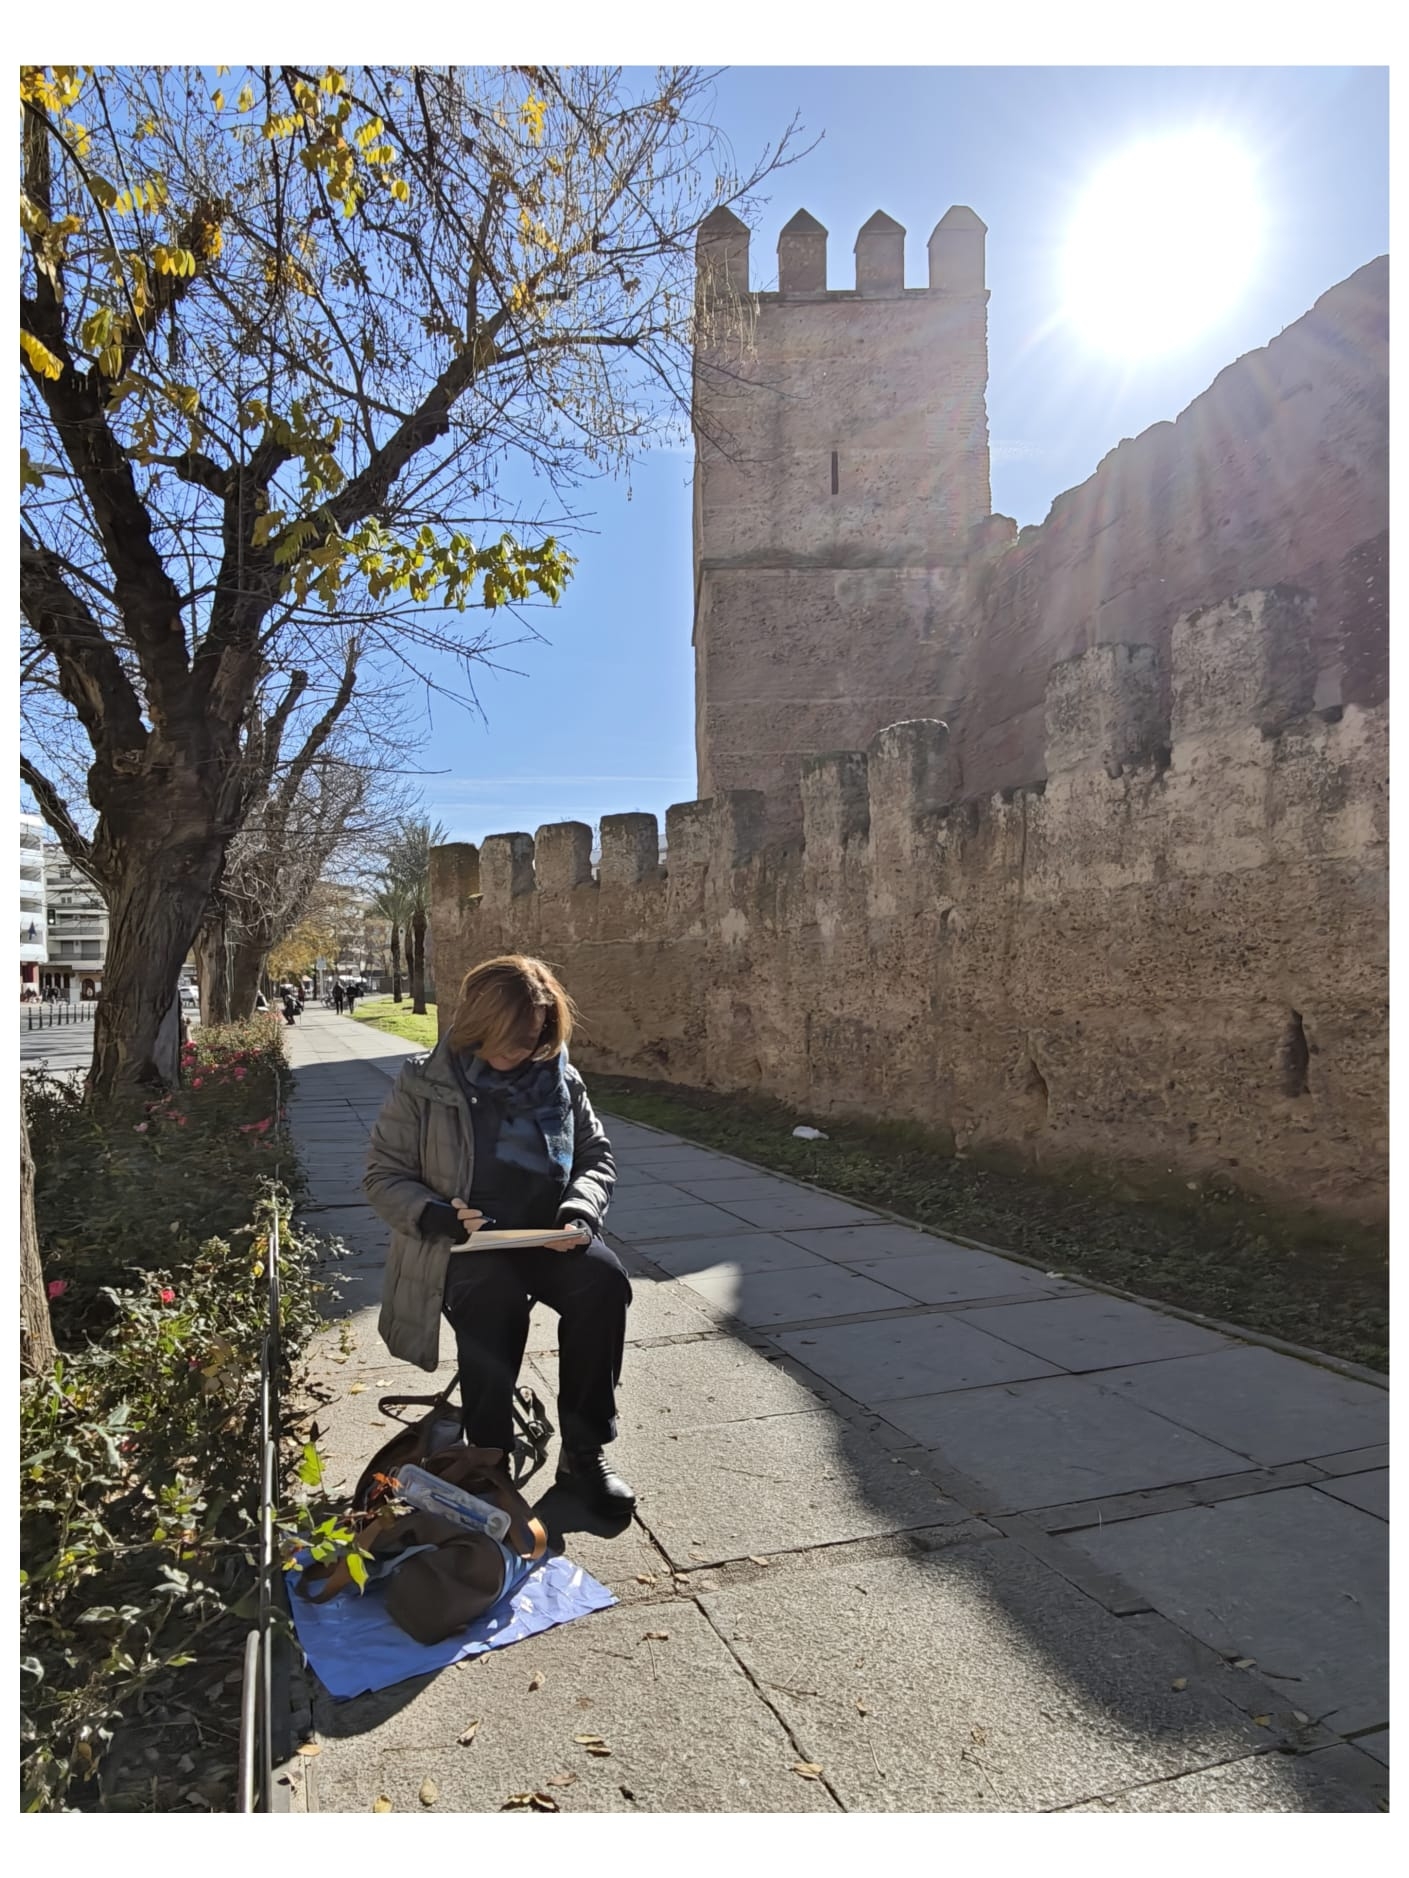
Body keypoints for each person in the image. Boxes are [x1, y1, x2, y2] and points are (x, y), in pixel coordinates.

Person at [364, 953, 633, 1517]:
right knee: (491, 1300)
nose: (524, 1052)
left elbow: (594, 1156)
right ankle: (489, 1459)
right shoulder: (423, 1083)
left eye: (536, 1037)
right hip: (466, 1244)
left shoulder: (559, 1075)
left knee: (603, 1283)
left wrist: (578, 1213)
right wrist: (434, 1213)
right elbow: (383, 1176)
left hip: (547, 1233)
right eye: (513, 1039)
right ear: (478, 1025)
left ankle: (583, 1453)